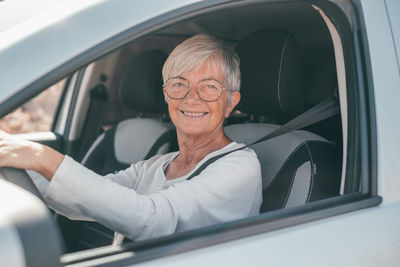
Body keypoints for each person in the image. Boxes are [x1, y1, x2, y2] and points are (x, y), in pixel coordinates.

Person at [0, 34, 262, 242]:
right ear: (167, 95)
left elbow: (151, 219)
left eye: (210, 86)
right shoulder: (155, 165)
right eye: (179, 84)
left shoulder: (241, 166)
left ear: (230, 103)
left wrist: (42, 157)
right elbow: (80, 200)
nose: (191, 97)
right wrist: (13, 157)